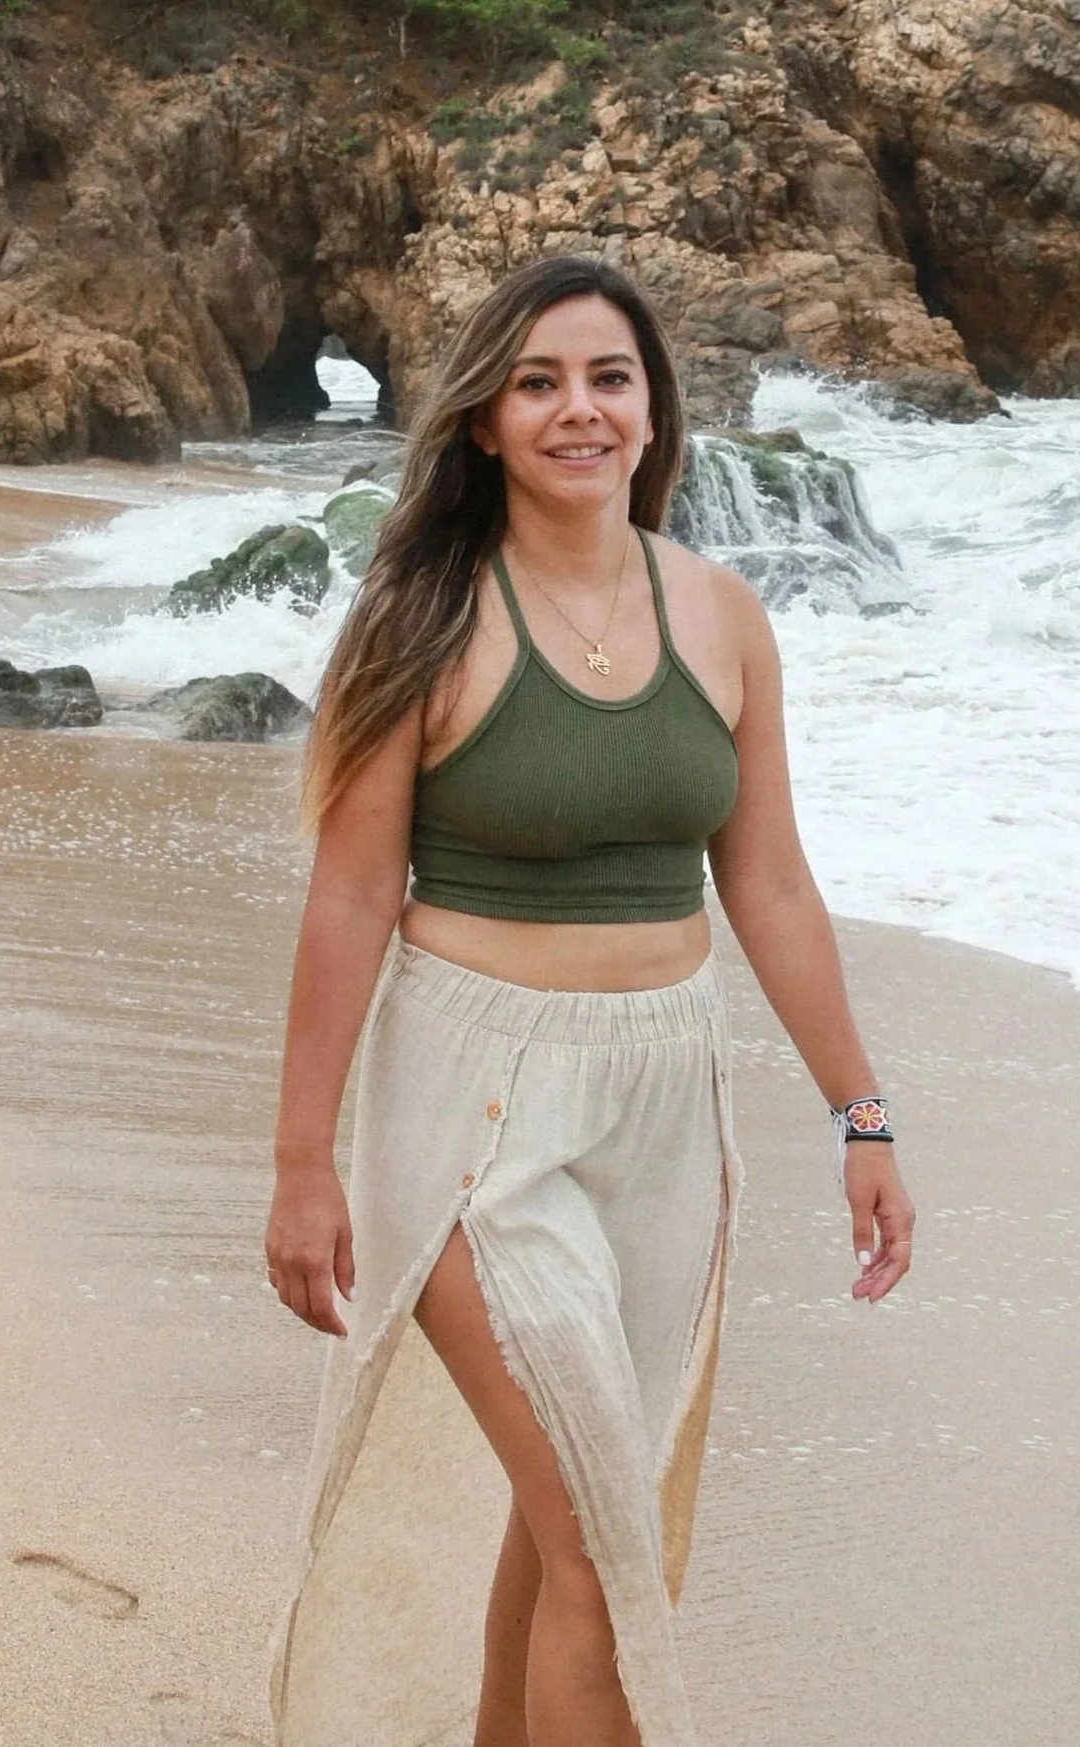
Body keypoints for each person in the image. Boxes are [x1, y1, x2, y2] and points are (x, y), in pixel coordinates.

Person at [265, 255, 915, 1747]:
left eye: (607, 379)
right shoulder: (421, 615)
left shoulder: (722, 615)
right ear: (485, 420)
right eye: (539, 380)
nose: (578, 410)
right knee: (599, 1537)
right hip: (473, 1104)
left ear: (650, 408)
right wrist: (305, 1163)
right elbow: (353, 895)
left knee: (578, 1509)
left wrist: (860, 1115)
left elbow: (768, 888)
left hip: (666, 1103)